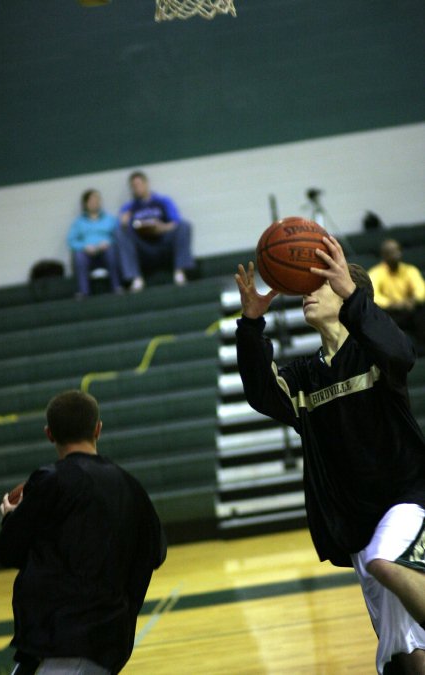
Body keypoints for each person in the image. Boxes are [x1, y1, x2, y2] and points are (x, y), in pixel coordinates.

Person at [235, 236, 425, 675]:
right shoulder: (304, 377)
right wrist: (250, 325)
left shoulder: (375, 353)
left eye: (317, 285)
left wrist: (357, 297)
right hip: (355, 523)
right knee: (402, 654)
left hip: (407, 501)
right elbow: (261, 392)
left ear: (343, 292)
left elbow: (402, 352)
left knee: (386, 563)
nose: (306, 293)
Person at [0, 390, 167, 675]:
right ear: (97, 429)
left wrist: (11, 517)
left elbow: (8, 550)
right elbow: (155, 553)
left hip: (63, 639)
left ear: (49, 434)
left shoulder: (50, 481)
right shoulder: (131, 487)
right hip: (105, 641)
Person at [115, 171, 195, 292]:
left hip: (163, 243)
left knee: (184, 225)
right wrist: (124, 224)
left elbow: (176, 222)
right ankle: (135, 278)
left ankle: (180, 271)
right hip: (143, 248)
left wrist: (162, 227)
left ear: (146, 183)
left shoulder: (163, 201)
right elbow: (124, 231)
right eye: (134, 186)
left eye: (139, 184)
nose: (137, 188)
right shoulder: (129, 207)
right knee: (119, 232)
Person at [369, 238, 425, 355]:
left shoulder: (410, 270)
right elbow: (374, 296)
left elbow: (421, 290)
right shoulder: (375, 273)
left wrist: (412, 301)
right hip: (390, 313)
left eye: (398, 251)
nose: (396, 255)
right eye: (391, 252)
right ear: (384, 255)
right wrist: (394, 304)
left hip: (409, 310)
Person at [67, 189, 123, 298]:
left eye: (97, 199)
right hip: (87, 254)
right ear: (85, 203)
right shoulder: (79, 222)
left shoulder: (109, 219)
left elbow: (118, 236)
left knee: (112, 252)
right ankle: (84, 292)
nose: (95, 202)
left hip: (106, 251)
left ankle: (117, 286)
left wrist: (108, 242)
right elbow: (71, 240)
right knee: (78, 255)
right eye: (92, 200)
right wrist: (84, 247)